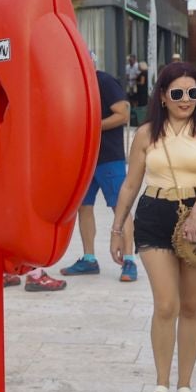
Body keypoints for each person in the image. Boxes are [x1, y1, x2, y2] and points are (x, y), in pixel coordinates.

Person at [110, 62, 196, 392]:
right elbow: (131, 183)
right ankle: (161, 384)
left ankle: (185, 386)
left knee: (192, 306)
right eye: (177, 93)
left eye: (193, 92)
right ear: (162, 96)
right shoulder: (146, 133)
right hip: (154, 214)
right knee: (166, 304)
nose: (186, 99)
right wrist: (117, 228)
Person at [58, 58, 135, 282]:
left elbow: (123, 114)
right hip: (83, 160)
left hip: (109, 158)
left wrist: (92, 126)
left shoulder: (105, 81)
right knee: (84, 207)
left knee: (121, 207)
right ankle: (89, 258)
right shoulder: (76, 87)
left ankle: (129, 261)